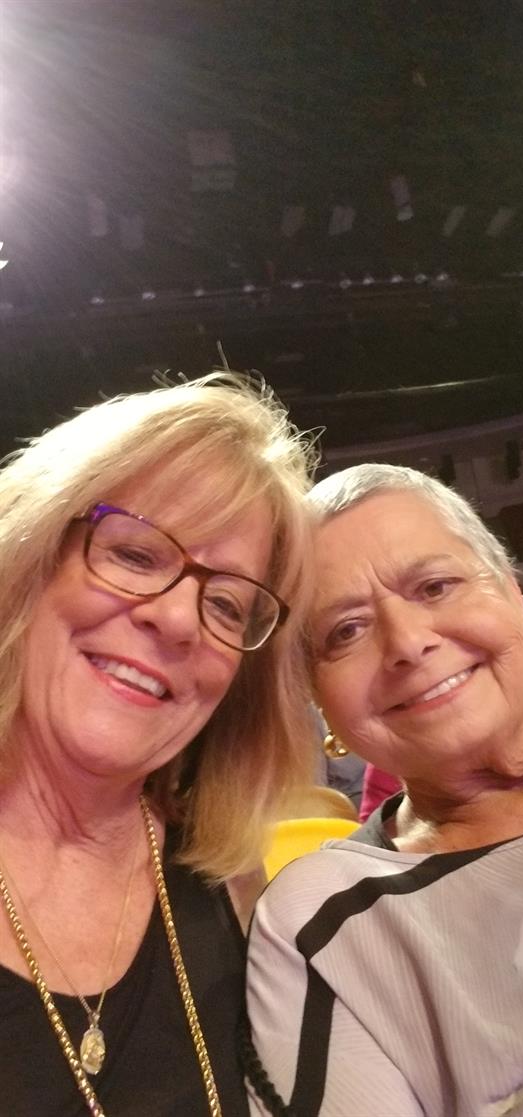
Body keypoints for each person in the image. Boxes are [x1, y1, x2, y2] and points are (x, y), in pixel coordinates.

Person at [0, 371, 317, 1117]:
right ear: (30, 556)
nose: (178, 621)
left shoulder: (243, 893)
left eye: (226, 603)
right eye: (137, 554)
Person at [245, 463, 523, 1117]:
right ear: (318, 698)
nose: (407, 642)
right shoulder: (318, 921)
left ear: (511, 588)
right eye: (344, 631)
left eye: (435, 585)